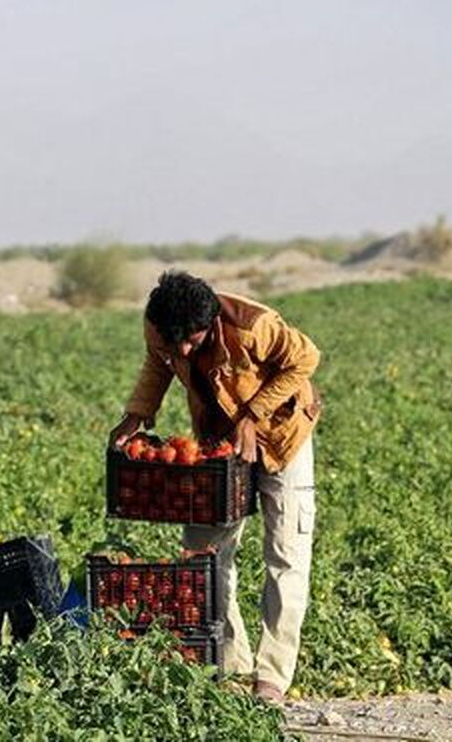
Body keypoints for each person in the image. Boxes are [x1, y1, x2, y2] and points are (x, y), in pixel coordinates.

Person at [109, 270, 322, 703]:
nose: (183, 350)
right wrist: (138, 412)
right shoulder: (160, 327)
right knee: (206, 555)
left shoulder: (253, 325)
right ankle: (231, 664)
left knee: (286, 552)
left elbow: (306, 359)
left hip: (283, 438)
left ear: (208, 326)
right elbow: (158, 362)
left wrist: (253, 416)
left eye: (192, 341)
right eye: (175, 342)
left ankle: (271, 678)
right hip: (217, 441)